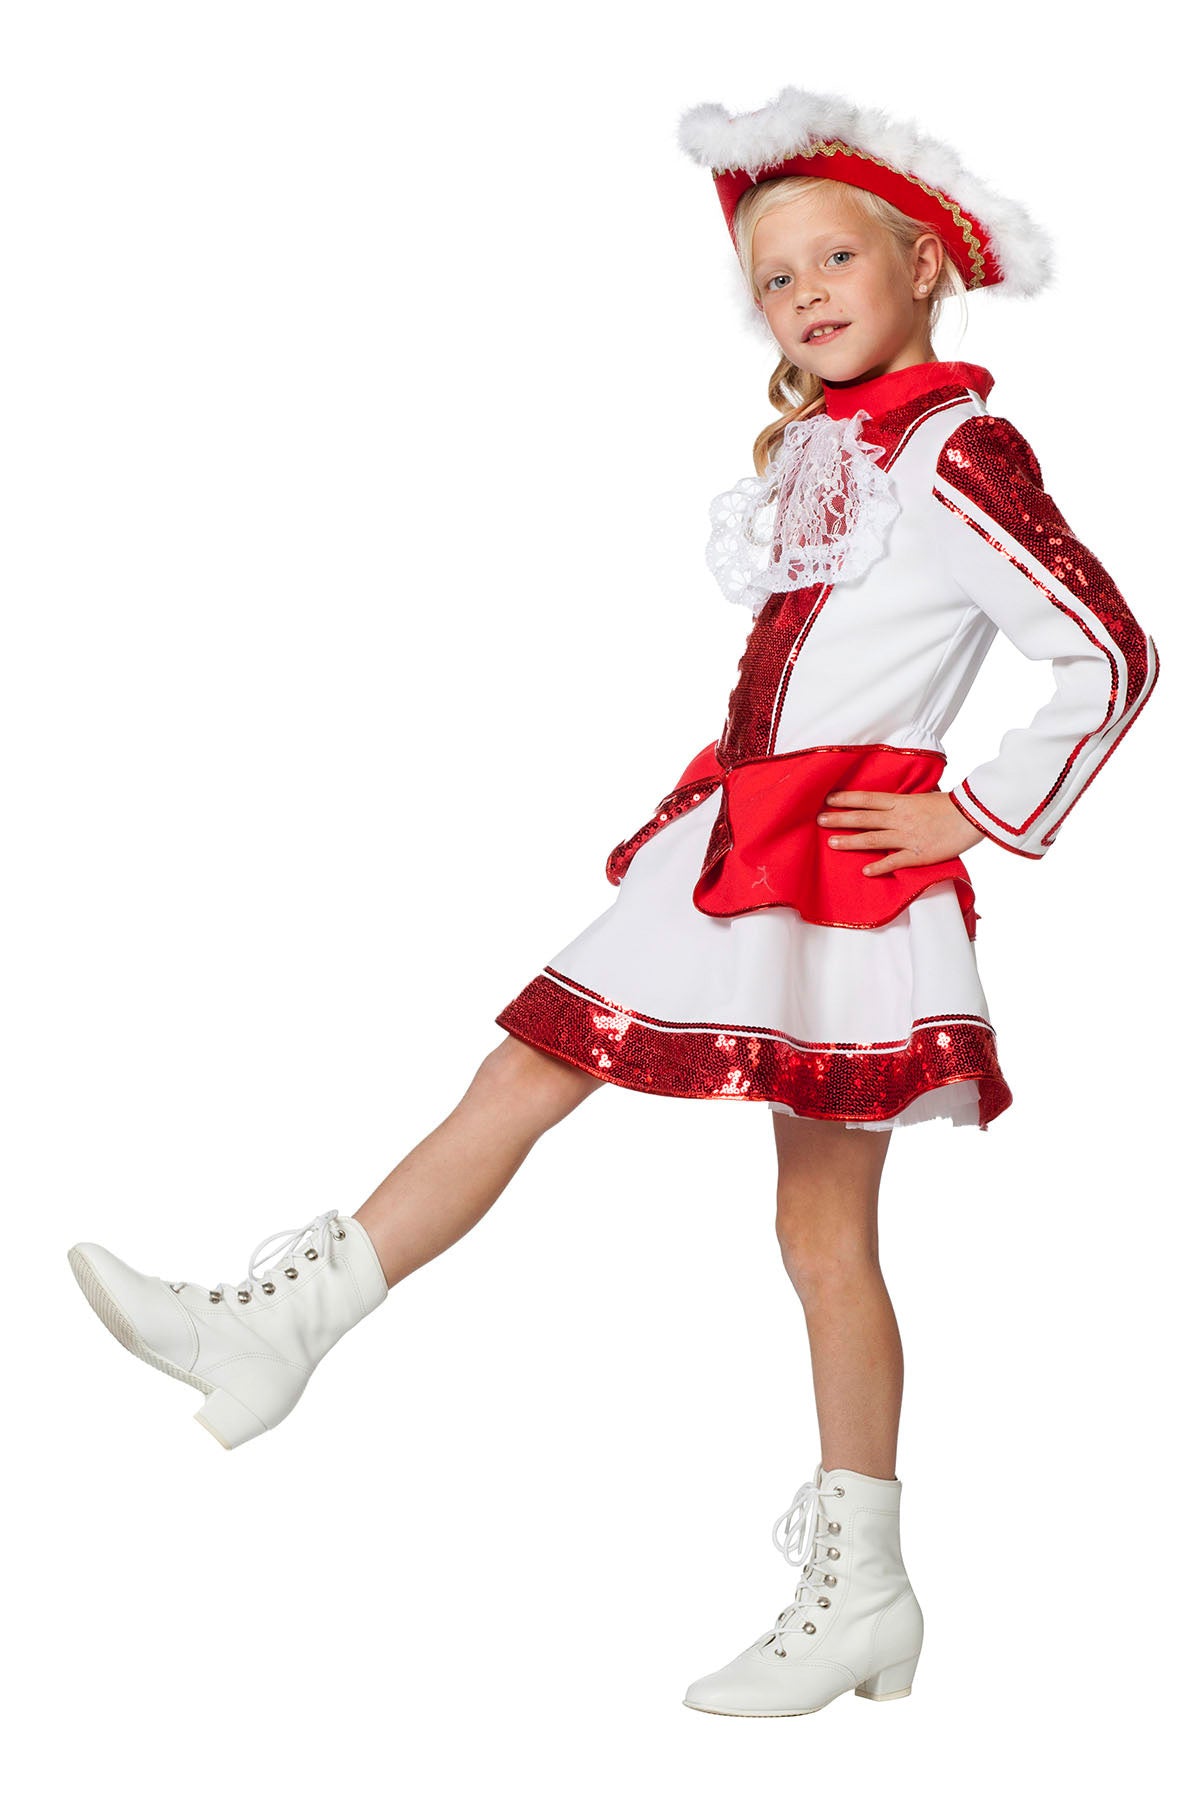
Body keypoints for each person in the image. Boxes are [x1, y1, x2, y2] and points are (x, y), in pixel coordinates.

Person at [66, 85, 1160, 1718]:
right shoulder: (840, 447)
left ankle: (857, 1585)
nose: (803, 294)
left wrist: (974, 810)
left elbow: (1110, 649)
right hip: (740, 838)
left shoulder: (958, 451)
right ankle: (290, 1332)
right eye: (774, 277)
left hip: (828, 870)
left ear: (923, 260)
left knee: (792, 1216)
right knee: (592, 1103)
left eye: (834, 257)